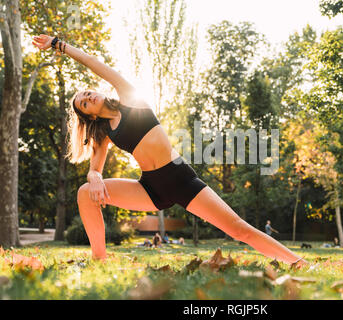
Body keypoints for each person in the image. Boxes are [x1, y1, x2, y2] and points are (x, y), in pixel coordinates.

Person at [32, 34, 308, 267]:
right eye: (83, 104)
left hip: (180, 179)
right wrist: (93, 177)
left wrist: (59, 45)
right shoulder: (104, 131)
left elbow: (94, 63)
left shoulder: (128, 97)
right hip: (150, 188)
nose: (88, 97)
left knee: (237, 228)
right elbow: (96, 167)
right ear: (89, 116)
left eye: (87, 93)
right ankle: (99, 261)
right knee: (84, 193)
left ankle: (297, 262)